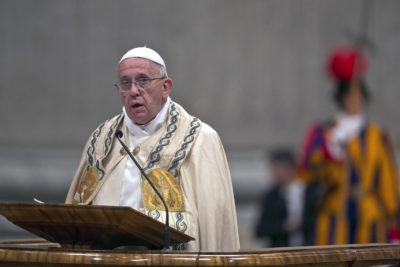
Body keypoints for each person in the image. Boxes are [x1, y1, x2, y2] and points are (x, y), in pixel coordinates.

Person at [65, 47, 240, 252]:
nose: (133, 91)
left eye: (143, 80)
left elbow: (212, 224)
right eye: (125, 83)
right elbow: (76, 214)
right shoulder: (102, 139)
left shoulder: (199, 139)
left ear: (165, 87)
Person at [297, 45, 399, 245]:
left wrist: (394, 220)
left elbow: (387, 181)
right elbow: (308, 172)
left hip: (370, 218)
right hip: (334, 214)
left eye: (358, 96)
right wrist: (331, 149)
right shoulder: (323, 132)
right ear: (340, 98)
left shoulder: (378, 136)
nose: (354, 101)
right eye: (349, 96)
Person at [255, 149, 318, 247]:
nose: (273, 173)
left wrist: (301, 225)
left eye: (277, 169)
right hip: (280, 251)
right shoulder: (271, 196)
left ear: (289, 168)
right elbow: (260, 229)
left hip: (307, 249)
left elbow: (315, 221)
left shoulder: (309, 192)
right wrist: (283, 227)